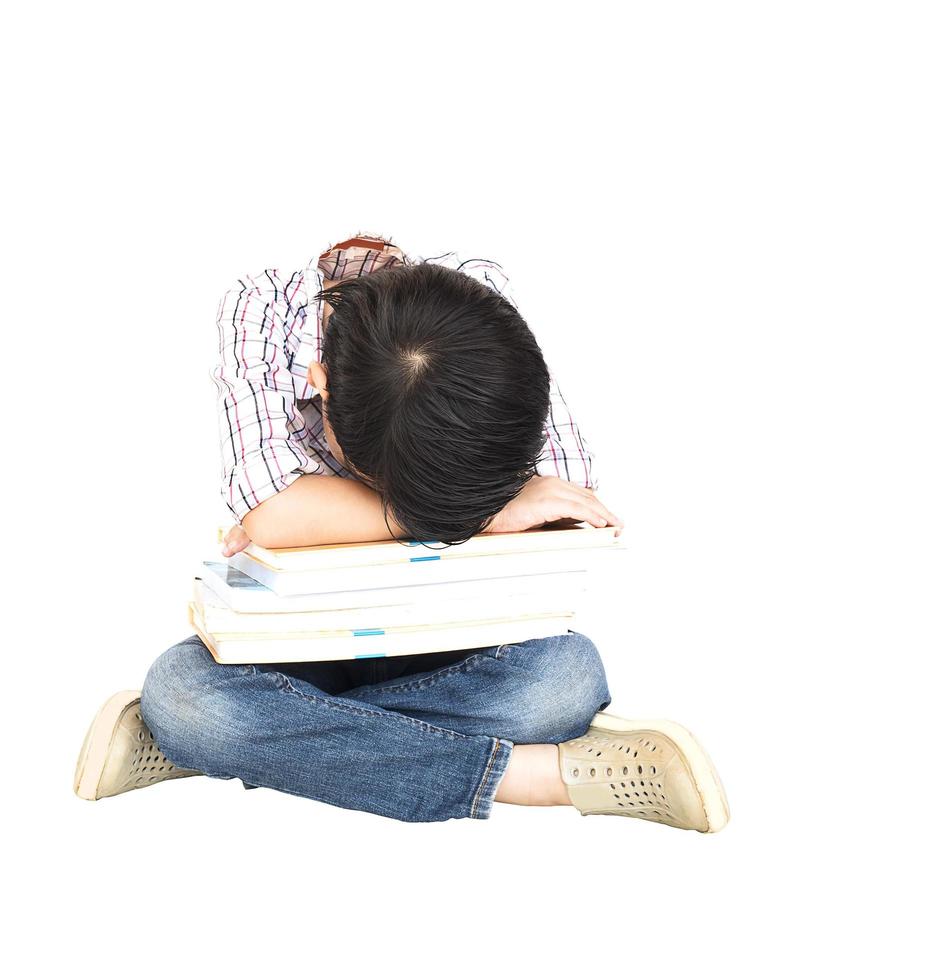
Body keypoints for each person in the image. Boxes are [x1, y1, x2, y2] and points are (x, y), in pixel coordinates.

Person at [72, 232, 730, 832]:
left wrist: (326, 511)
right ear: (320, 388)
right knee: (184, 693)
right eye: (375, 481)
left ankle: (238, 742)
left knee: (564, 681)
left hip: (456, 635)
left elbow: (564, 497)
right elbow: (272, 513)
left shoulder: (477, 310)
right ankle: (534, 777)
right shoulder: (261, 313)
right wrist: (484, 513)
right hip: (299, 640)